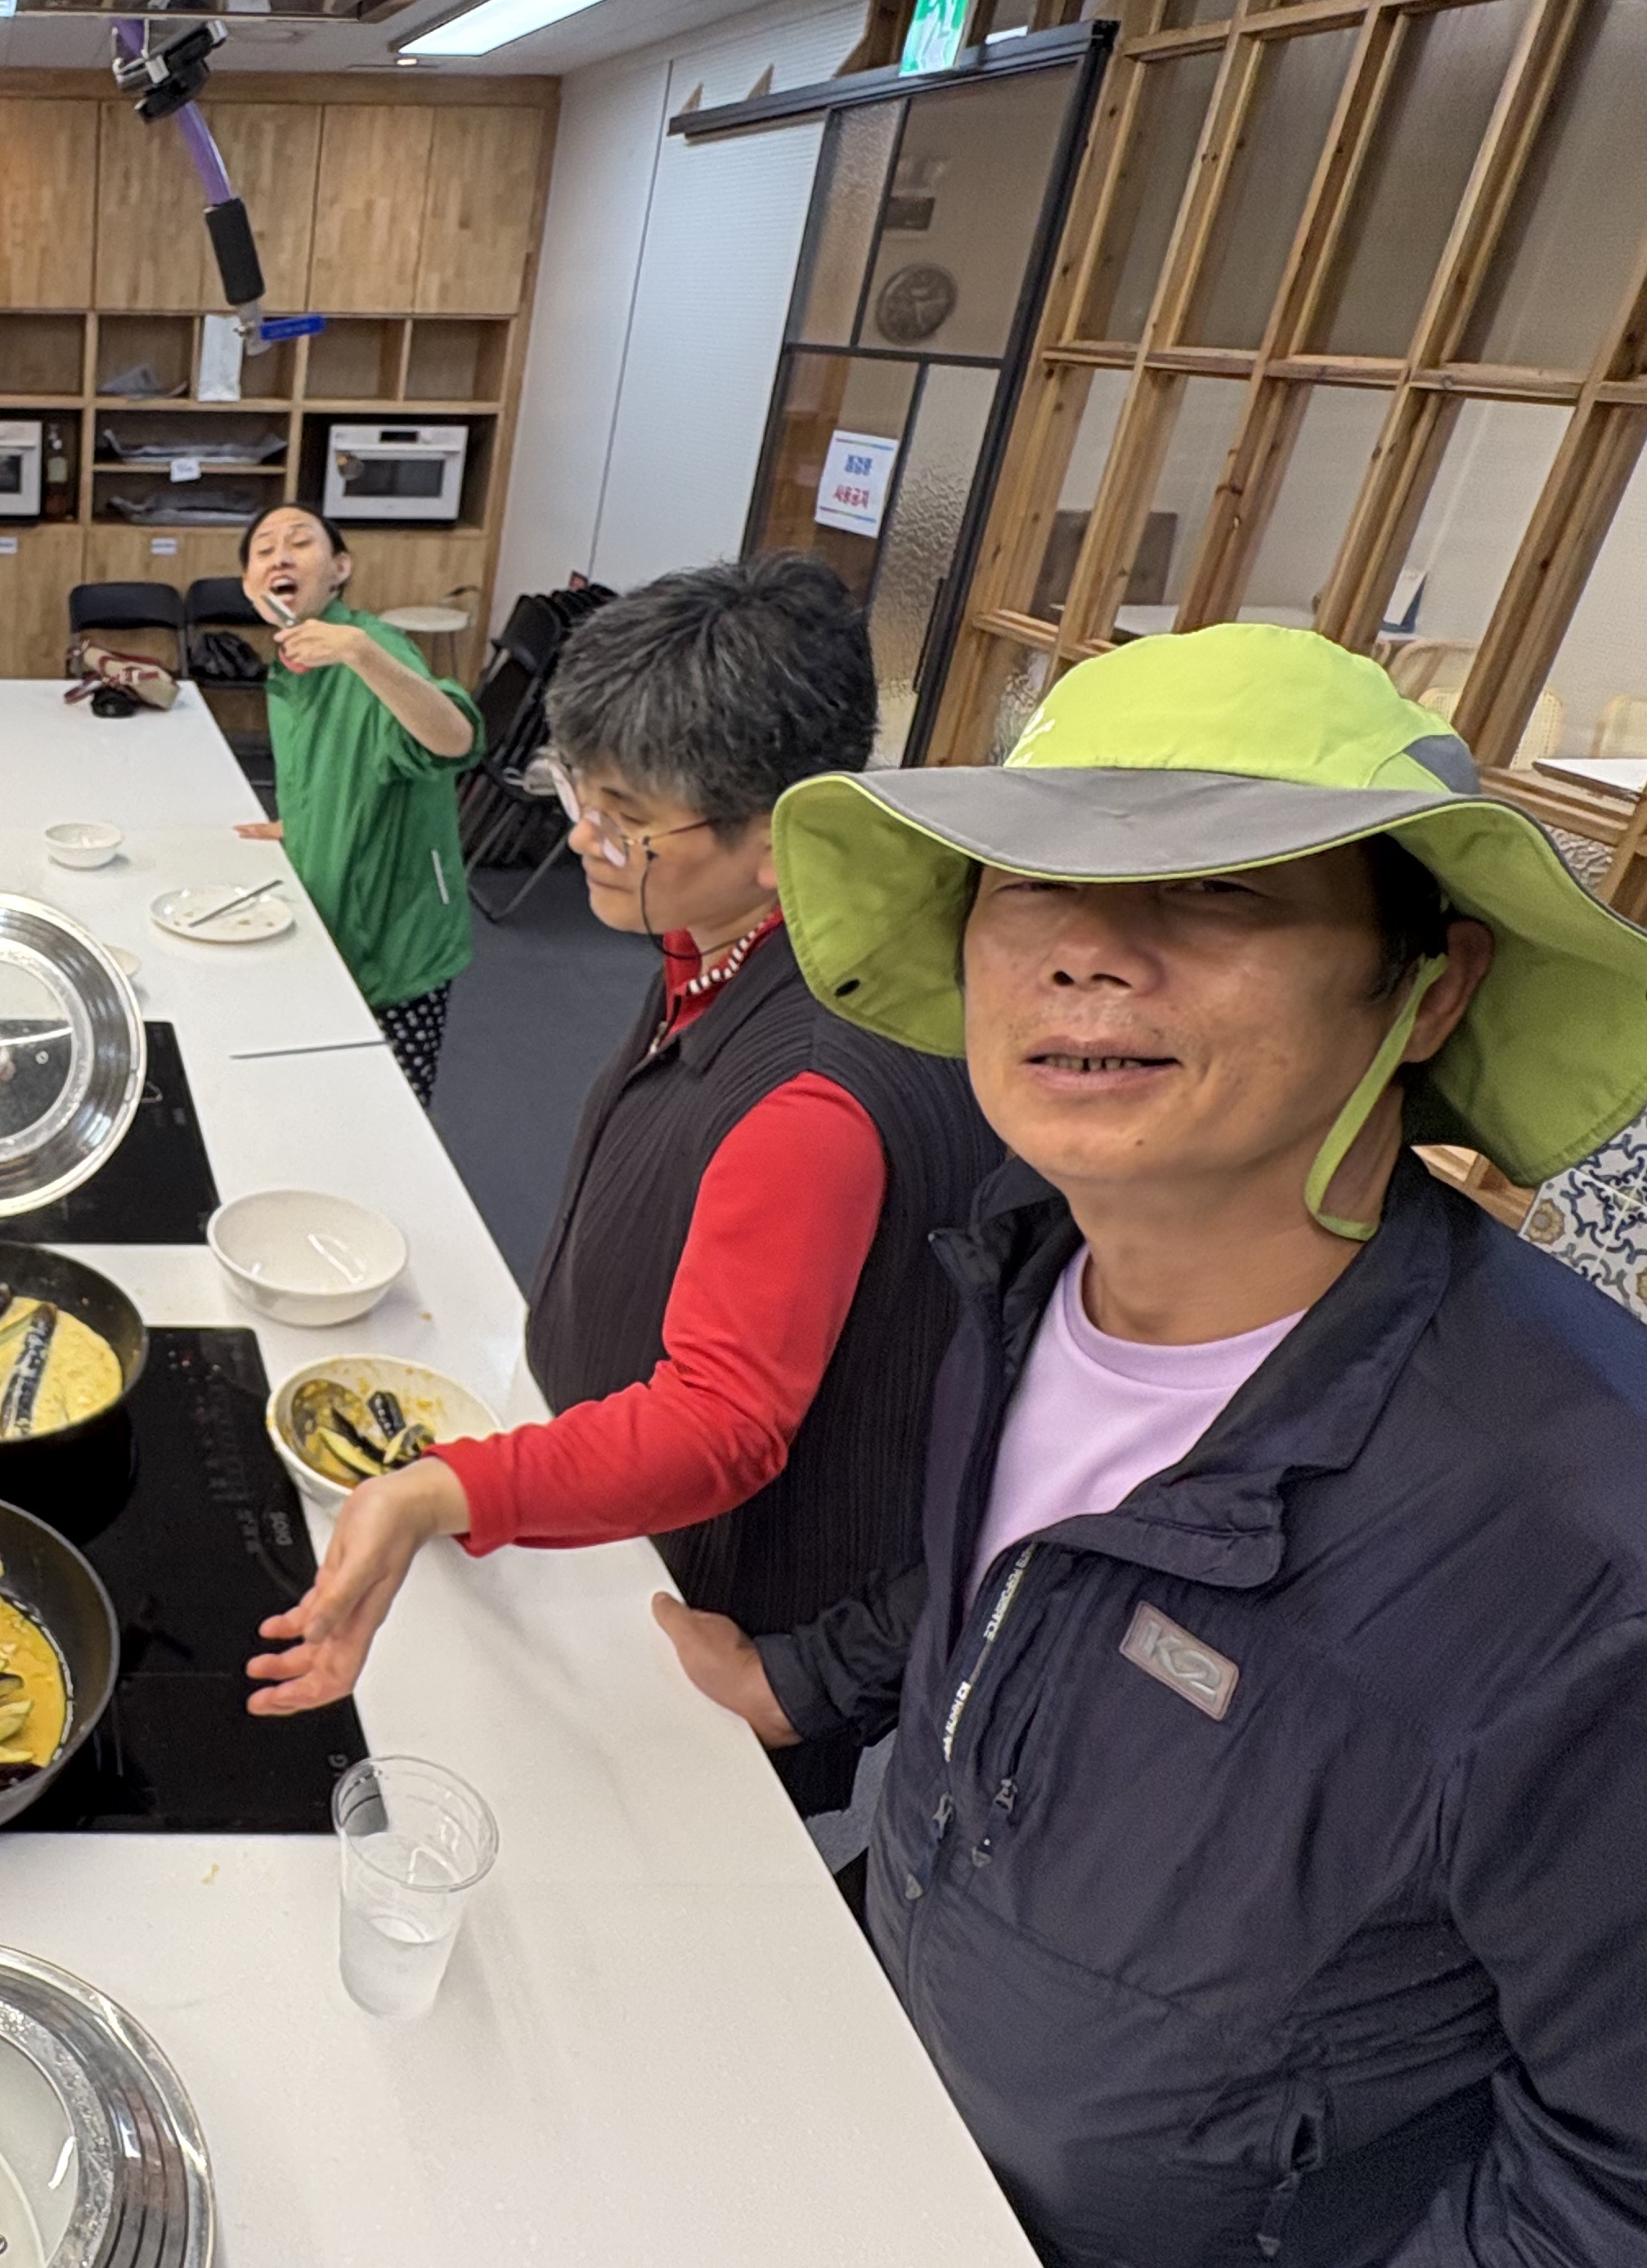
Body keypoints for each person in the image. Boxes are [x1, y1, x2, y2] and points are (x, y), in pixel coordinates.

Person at [661, 625, 1647, 2261]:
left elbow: (1613, 2183)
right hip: (894, 2113)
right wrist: (805, 1679)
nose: (1085, 951)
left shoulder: (1583, 1551)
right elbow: (1024, 1572)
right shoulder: (1028, 1257)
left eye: (1217, 888)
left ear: (1430, 987)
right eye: (1029, 877)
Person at [247, 554, 998, 1821]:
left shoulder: (813, 1093)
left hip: (713, 1610)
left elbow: (722, 1423)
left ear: (782, 836)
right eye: (574, 791)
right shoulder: (724, 945)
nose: (580, 838)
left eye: (625, 818)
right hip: (618, 1521)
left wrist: (446, 1487)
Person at [228, 504, 482, 1102]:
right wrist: (308, 819)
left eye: (299, 543)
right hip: (328, 915)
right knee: (317, 1098)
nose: (280, 557)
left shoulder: (371, 649)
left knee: (389, 1112)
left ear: (340, 568)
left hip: (395, 941)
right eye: (263, 550)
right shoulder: (292, 665)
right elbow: (338, 764)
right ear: (249, 586)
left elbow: (453, 740)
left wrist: (362, 654)